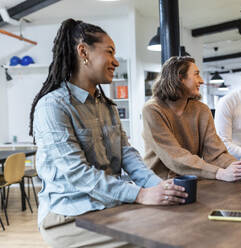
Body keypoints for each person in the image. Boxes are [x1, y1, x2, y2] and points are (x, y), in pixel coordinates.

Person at [29, 19, 187, 248]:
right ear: (83, 51)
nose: (115, 61)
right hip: (68, 217)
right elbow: (78, 175)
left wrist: (159, 188)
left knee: (175, 223)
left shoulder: (107, 106)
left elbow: (128, 156)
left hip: (108, 205)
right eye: (110, 52)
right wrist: (141, 195)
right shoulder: (52, 106)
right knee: (158, 238)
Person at [142, 56, 241, 182]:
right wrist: (219, 173)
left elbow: (215, 153)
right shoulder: (152, 110)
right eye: (196, 75)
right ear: (180, 78)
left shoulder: (201, 110)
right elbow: (174, 156)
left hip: (192, 181)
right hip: (158, 184)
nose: (201, 81)